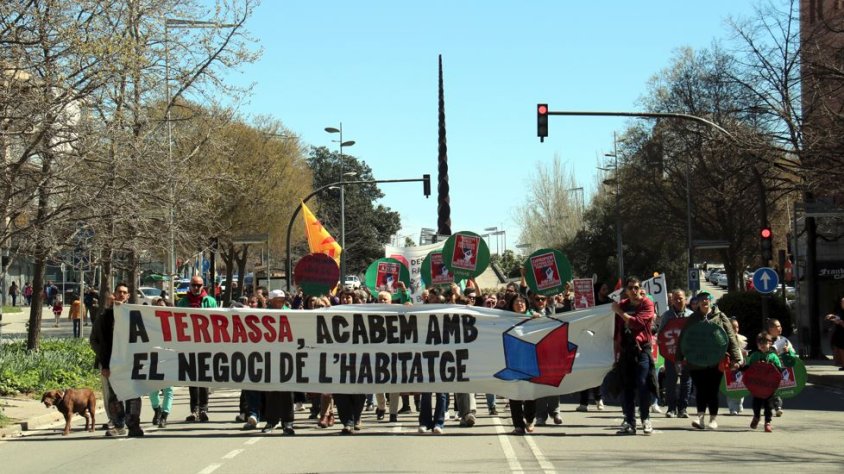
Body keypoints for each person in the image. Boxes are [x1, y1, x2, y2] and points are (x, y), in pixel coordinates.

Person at [677, 292, 741, 431]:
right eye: (701, 299)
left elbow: (730, 338)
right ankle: (700, 419)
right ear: (698, 303)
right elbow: (683, 339)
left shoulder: (720, 316)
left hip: (716, 360)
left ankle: (712, 419)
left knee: (712, 390)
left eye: (707, 299)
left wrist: (736, 358)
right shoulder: (693, 319)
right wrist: (678, 359)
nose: (705, 301)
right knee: (701, 389)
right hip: (696, 361)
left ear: (711, 301)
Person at [91, 282, 143, 437]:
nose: (121, 294)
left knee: (133, 394)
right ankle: (119, 426)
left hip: (131, 364)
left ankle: (134, 426)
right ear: (114, 295)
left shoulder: (136, 316)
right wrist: (105, 364)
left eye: (124, 292)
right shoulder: (104, 318)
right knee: (114, 397)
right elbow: (95, 341)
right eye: (119, 292)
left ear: (128, 296)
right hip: (110, 365)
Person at [612, 277, 657, 436]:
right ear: (626, 290)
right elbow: (615, 327)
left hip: (642, 350)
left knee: (643, 383)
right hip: (625, 351)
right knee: (627, 387)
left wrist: (619, 312)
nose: (634, 291)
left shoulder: (647, 304)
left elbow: (637, 323)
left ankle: (646, 418)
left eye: (636, 287)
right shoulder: (622, 305)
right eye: (630, 288)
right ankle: (630, 420)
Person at [177, 275, 217, 422]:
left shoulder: (211, 301)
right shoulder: (183, 302)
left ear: (203, 286)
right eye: (193, 285)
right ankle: (194, 410)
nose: (196, 288)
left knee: (204, 378)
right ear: (190, 286)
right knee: (193, 379)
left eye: (199, 285)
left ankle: (203, 409)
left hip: (206, 345)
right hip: (189, 346)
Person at [260, 289, 296, 435]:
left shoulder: (291, 313)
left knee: (287, 392)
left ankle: (288, 423)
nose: (281, 301)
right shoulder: (262, 313)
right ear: (271, 300)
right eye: (277, 299)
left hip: (287, 357)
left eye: (282, 299)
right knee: (271, 392)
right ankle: (271, 421)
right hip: (269, 357)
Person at [505, 293, 540, 435]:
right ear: (512, 305)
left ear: (526, 304)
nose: (520, 304)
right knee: (515, 394)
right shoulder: (506, 319)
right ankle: (518, 425)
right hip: (512, 361)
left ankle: (530, 419)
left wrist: (538, 319)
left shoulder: (534, 317)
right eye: (517, 302)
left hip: (530, 361)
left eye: (522, 302)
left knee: (530, 393)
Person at [657, 288, 693, 418]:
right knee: (671, 381)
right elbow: (661, 333)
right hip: (670, 354)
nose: (678, 300)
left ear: (685, 299)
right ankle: (671, 408)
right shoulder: (667, 315)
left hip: (687, 355)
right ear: (671, 300)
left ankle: (683, 408)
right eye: (675, 298)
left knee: (686, 381)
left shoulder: (691, 315)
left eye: (681, 298)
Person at [746, 332, 787, 433]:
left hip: (769, 386)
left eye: (765, 343)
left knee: (768, 405)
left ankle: (767, 422)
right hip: (757, 385)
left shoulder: (773, 356)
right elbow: (749, 369)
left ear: (770, 343)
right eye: (760, 343)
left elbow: (779, 370)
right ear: (757, 344)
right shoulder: (755, 355)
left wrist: (773, 367)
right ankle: (756, 416)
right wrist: (741, 367)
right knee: (756, 404)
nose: (762, 345)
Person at [148, 297, 174, 429]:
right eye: (158, 306)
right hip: (154, 359)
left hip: (169, 359)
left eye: (163, 305)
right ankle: (156, 409)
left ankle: (164, 415)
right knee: (152, 389)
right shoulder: (150, 324)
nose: (160, 308)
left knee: (168, 389)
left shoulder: (174, 323)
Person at [765, 318, 797, 417]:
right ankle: (771, 405)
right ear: (770, 329)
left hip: (780, 369)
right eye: (777, 326)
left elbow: (794, 353)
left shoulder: (784, 340)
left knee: (777, 388)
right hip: (768, 369)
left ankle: (778, 406)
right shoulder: (765, 340)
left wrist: (788, 351)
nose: (780, 328)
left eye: (780, 326)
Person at [727, 317, 748, 415]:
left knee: (740, 385)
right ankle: (732, 408)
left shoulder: (741, 338)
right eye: (733, 327)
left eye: (737, 327)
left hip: (741, 365)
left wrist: (745, 353)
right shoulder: (726, 339)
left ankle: (739, 404)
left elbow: (742, 350)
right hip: (730, 366)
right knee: (731, 386)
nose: (736, 329)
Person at [825, 297, 844, 371]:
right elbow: (838, 317)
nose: (842, 304)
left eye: (843, 302)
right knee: (840, 349)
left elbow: (841, 321)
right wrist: (832, 316)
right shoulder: (841, 311)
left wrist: (840, 322)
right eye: (841, 302)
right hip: (840, 334)